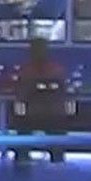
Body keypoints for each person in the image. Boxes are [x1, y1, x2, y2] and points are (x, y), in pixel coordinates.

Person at [11, 36, 69, 166]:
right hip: (52, 114)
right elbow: (63, 90)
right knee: (56, 132)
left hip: (33, 114)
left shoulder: (27, 70)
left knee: (22, 128)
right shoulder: (56, 69)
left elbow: (21, 93)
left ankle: (22, 158)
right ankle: (57, 158)